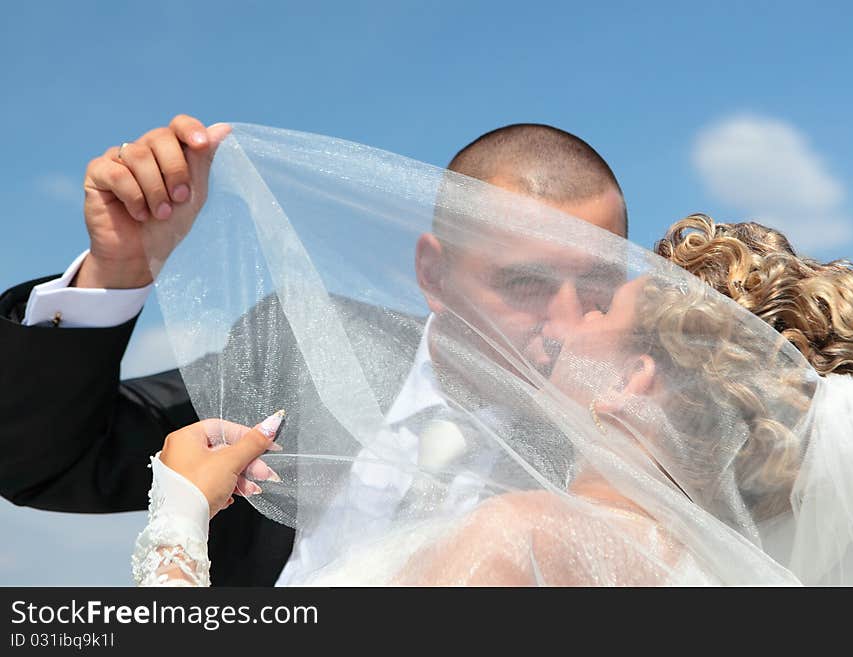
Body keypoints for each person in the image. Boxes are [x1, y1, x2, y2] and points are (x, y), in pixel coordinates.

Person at [0, 116, 628, 585]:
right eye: (524, 284)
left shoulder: (626, 451)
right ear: (433, 274)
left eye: (598, 289)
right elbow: (47, 464)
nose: (566, 325)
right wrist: (118, 269)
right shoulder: (298, 345)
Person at [134, 210, 853, 586]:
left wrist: (178, 522)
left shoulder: (526, 540)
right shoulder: (698, 570)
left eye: (599, 309)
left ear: (631, 382)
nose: (566, 315)